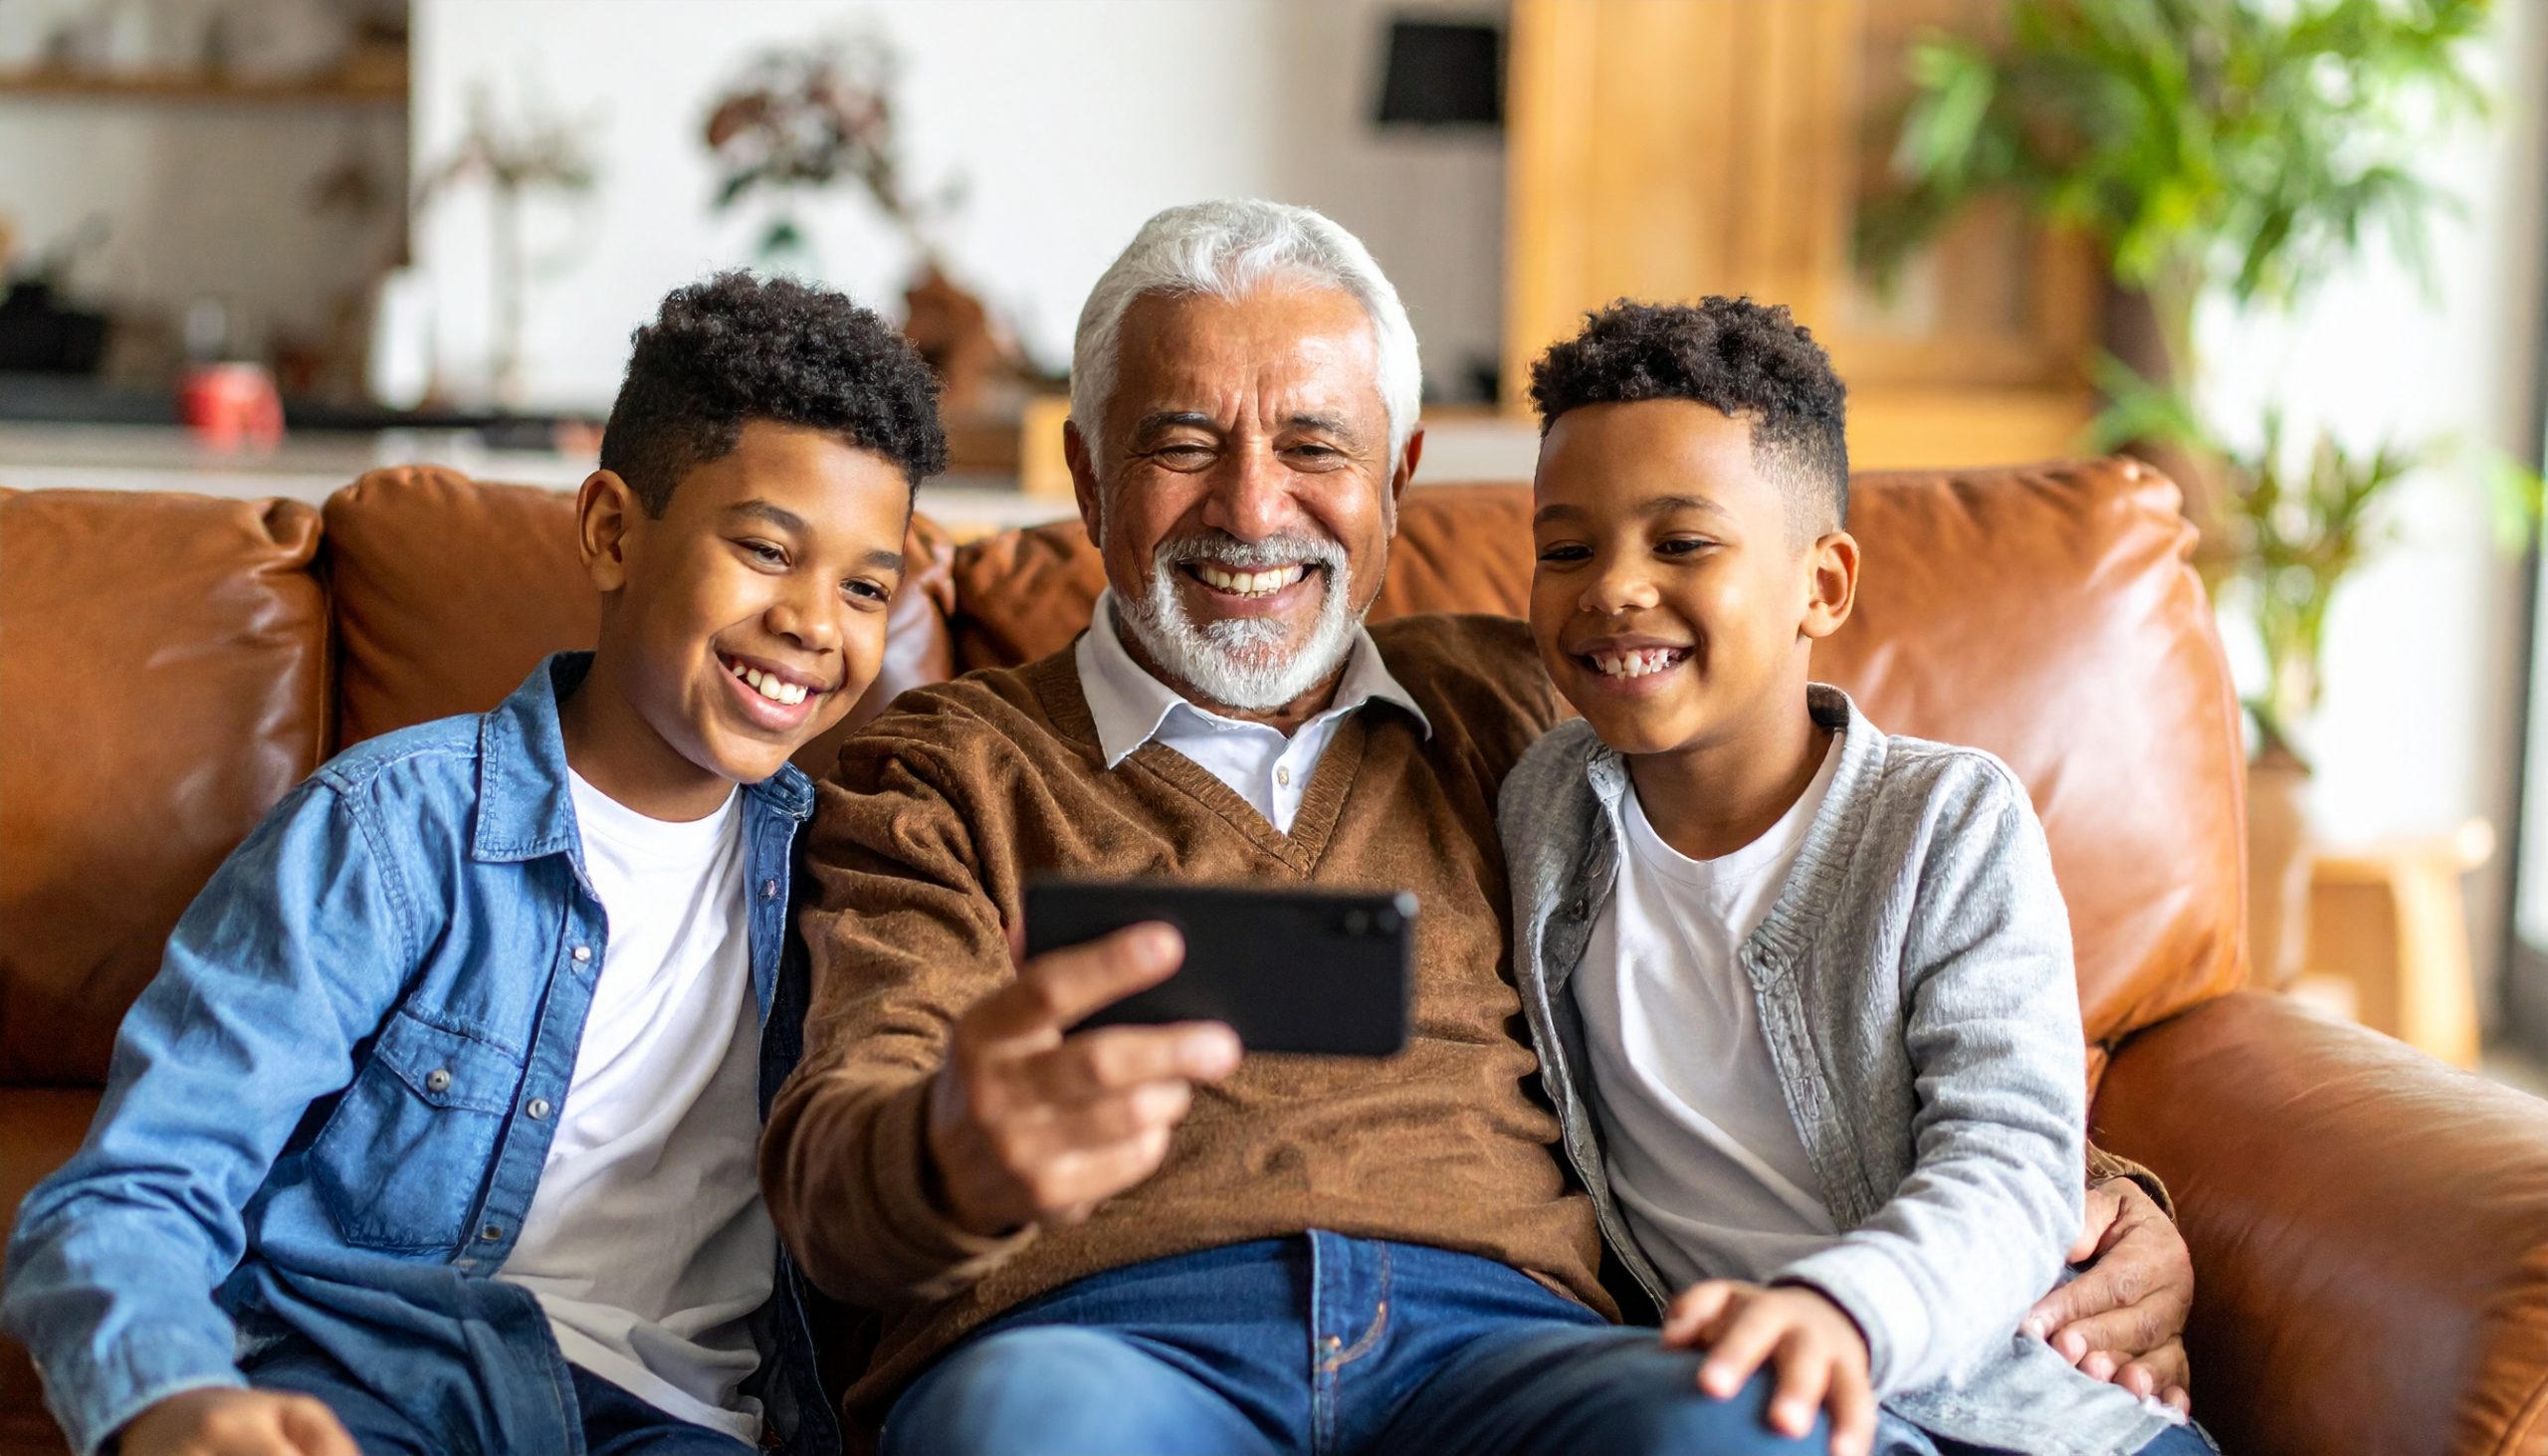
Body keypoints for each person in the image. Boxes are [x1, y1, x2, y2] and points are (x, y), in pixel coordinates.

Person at [760, 199, 2198, 1456]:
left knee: (1737, 1424)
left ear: (1399, 477)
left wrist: (2095, 1197)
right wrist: (948, 1148)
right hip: (1106, 1333)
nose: (1252, 505)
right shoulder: (938, 768)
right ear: (1085, 478)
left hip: (1511, 1346)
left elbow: (1809, 931)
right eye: (1182, 443)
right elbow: (837, 1154)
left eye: (1316, 443)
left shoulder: (1544, 717)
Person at [1, 272, 946, 1456]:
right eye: (765, 548)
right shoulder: (390, 830)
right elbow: (136, 1182)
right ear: (612, 530)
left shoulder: (851, 872)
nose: (817, 621)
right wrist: (170, 1396)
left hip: (681, 1426)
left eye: (867, 585)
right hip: (384, 1395)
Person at [1496, 297, 2214, 1456]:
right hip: (1755, 1409)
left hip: (2021, 1407)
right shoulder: (1541, 805)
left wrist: (1840, 1308)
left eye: (1682, 543)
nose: (1612, 587)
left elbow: (2010, 1158)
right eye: (1565, 548)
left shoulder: (1946, 820)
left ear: (1822, 586)